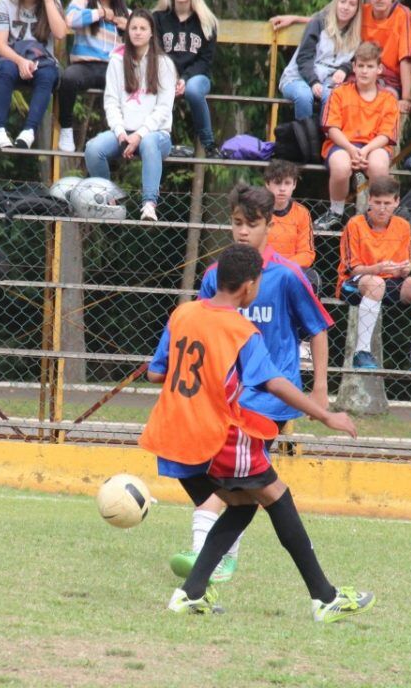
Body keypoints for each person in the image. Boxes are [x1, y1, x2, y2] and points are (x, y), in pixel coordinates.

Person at [140, 243, 373, 621]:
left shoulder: (183, 313)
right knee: (277, 497)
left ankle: (191, 593)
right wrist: (326, 415)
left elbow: (155, 373)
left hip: (169, 435)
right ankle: (325, 598)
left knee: (243, 505)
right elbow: (274, 383)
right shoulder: (240, 330)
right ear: (249, 287)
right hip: (214, 435)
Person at [169, 186, 333, 584]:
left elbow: (317, 328)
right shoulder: (215, 278)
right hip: (227, 400)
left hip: (271, 398)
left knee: (242, 485)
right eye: (237, 223)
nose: (242, 232)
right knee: (245, 489)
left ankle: (204, 552)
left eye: (252, 225)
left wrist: (320, 390)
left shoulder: (288, 275)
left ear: (269, 226)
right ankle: (214, 565)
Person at [270, 0, 411, 113]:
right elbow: (331, 20)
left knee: (375, 99)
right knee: (344, 95)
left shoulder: (403, 15)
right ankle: (319, 133)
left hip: (386, 78)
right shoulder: (361, 12)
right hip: (359, 73)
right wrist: (295, 19)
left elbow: (405, 59)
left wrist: (406, 98)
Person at [82, 10, 175, 221]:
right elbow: (111, 100)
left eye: (143, 28)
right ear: (128, 30)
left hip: (155, 134)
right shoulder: (117, 59)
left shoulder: (164, 64)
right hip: (124, 132)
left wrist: (140, 134)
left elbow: (163, 108)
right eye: (134, 28)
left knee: (150, 143)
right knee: (93, 148)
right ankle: (108, 198)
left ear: (152, 32)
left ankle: (149, 204)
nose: (138, 32)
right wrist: (120, 131)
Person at [337, 176, 411, 372]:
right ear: (369, 201)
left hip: (389, 280)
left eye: (387, 203)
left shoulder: (403, 226)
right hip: (355, 282)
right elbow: (352, 268)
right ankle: (361, 352)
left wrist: (404, 269)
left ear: (396, 202)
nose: (382, 208)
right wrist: (377, 268)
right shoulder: (355, 224)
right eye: (378, 203)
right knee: (375, 283)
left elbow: (404, 266)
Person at [316, 42, 400, 232]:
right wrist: (351, 149)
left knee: (379, 165)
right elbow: (332, 128)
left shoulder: (388, 99)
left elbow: (386, 135)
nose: (364, 71)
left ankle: (375, 212)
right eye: (360, 66)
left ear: (379, 69)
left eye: (369, 66)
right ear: (353, 67)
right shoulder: (339, 92)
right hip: (343, 144)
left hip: (373, 146)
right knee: (341, 166)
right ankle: (336, 212)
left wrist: (365, 150)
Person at [0, 0, 66, 149]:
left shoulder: (52, 2)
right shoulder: (6, 2)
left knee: (48, 74)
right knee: (5, 68)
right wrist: (21, 61)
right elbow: (0, 44)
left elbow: (60, 33)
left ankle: (29, 131)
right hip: (12, 59)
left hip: (41, 63)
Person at [57, 0, 128, 152]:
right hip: (85, 65)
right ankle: (66, 128)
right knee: (68, 78)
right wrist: (101, 13)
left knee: (132, 86)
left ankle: (126, 133)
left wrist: (127, 27)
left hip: (112, 67)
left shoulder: (126, 12)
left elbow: (143, 37)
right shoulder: (82, 2)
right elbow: (70, 19)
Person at [153, 0, 220, 157]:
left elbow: (205, 60)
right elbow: (156, 52)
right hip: (165, 74)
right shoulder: (158, 18)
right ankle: (163, 141)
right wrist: (172, 77)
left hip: (197, 76)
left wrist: (185, 78)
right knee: (156, 89)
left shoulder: (207, 21)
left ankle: (209, 145)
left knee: (193, 90)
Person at [275, 0, 362, 121]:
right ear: (336, 2)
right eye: (343, 1)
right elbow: (303, 58)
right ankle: (305, 138)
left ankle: (326, 140)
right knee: (304, 96)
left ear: (357, 10)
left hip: (328, 81)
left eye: (352, 4)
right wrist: (313, 82)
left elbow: (357, 60)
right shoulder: (318, 23)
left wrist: (344, 69)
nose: (346, 7)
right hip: (298, 78)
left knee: (333, 98)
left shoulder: (356, 35)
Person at [263, 159, 315, 280]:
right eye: (277, 183)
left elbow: (307, 253)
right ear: (267, 183)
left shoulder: (302, 213)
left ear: (294, 184)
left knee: (312, 278)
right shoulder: (257, 210)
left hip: (291, 269)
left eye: (287, 183)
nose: (282, 188)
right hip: (262, 268)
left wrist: (284, 266)